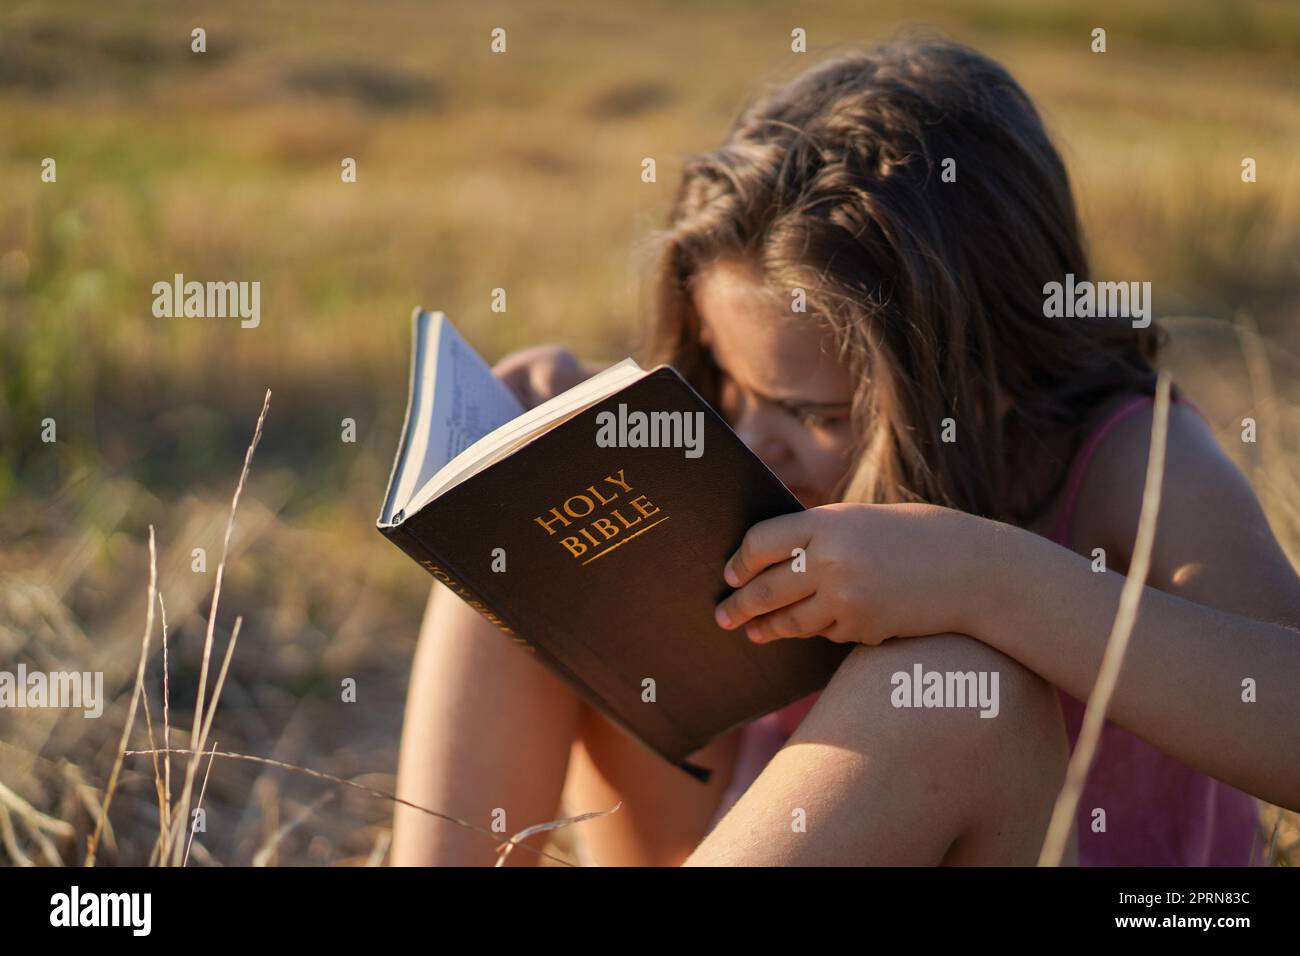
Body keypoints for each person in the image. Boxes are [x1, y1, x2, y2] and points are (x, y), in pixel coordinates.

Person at [391, 38, 1300, 867]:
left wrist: (984, 578)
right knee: (518, 548)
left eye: (813, 412)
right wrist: (568, 439)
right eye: (731, 384)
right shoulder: (763, 450)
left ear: (990, 369)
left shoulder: (1130, 458)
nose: (754, 438)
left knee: (950, 687)